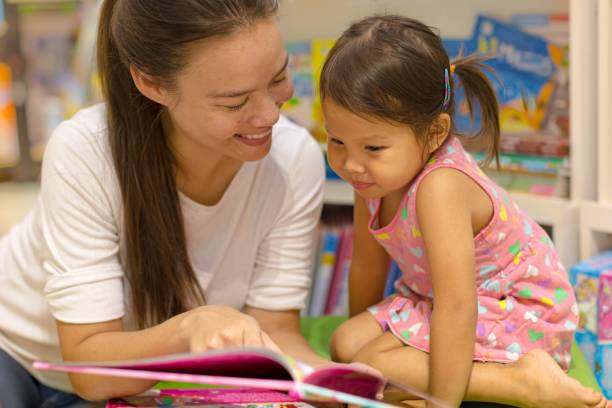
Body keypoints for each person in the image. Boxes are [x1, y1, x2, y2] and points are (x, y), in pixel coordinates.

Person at [0, 0, 328, 405]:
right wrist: (191, 328)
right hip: (17, 350)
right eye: (234, 102)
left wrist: (333, 383)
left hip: (139, 385)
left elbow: (275, 332)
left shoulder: (295, 161)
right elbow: (89, 365)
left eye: (278, 78)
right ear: (153, 84)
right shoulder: (85, 151)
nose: (269, 115)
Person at [320, 15, 610, 408]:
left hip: (512, 306)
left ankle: (521, 381)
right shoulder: (370, 177)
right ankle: (404, 376)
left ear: (436, 133)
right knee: (347, 344)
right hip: (439, 299)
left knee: (370, 362)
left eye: (372, 148)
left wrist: (441, 401)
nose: (351, 163)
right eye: (336, 140)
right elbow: (368, 268)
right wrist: (360, 367)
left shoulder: (440, 186)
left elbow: (459, 304)